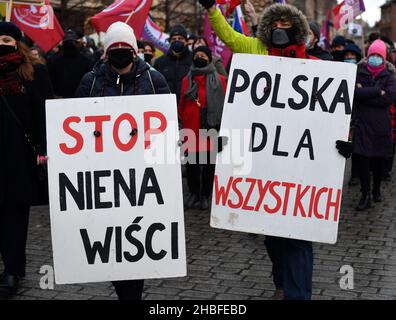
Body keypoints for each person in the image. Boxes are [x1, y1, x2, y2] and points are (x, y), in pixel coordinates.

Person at [76, 22, 170, 300]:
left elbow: (167, 123)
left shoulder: (154, 80)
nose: (119, 51)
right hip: (104, 174)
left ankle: (133, 292)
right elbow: (76, 123)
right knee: (112, 235)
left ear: (134, 51)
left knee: (137, 233)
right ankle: (123, 290)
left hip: (142, 175)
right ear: (106, 52)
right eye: (114, 48)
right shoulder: (89, 81)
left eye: (124, 47)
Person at [0, 22, 54, 298]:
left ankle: (13, 270)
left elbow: (46, 115)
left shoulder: (35, 73)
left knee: (15, 217)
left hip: (20, 159)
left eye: (7, 39)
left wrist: (45, 150)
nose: (2, 43)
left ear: (18, 43)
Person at [179, 46, 227, 211]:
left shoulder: (220, 80)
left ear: (209, 58)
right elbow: (181, 104)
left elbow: (224, 103)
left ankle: (206, 195)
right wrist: (184, 118)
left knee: (208, 164)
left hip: (210, 127)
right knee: (191, 164)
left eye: (203, 55)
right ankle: (193, 193)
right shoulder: (187, 79)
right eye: (197, 55)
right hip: (191, 127)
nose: (199, 58)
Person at [352, 40, 396, 211]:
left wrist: (365, 93)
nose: (375, 58)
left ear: (384, 58)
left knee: (378, 162)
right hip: (363, 124)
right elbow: (355, 94)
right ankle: (365, 194)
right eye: (373, 55)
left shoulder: (390, 77)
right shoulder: (359, 73)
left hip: (380, 126)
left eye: (379, 55)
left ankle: (376, 189)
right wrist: (377, 91)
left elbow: (389, 98)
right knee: (363, 161)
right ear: (367, 56)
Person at [47, 29, 93, 98]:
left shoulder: (54, 60)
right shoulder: (54, 60)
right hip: (61, 98)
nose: (70, 44)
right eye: (68, 42)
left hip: (79, 98)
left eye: (72, 42)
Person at [153, 25, 192, 103]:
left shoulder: (193, 60)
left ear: (186, 41)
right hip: (166, 104)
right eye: (174, 39)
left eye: (180, 38)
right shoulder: (160, 62)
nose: (177, 41)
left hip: (187, 104)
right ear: (170, 41)